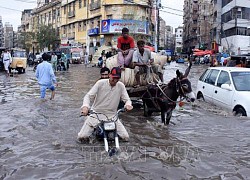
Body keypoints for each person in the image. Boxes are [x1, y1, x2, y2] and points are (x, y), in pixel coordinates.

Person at [77, 67, 133, 143]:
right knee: (82, 137)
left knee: (125, 137)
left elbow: (127, 100)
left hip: (112, 116)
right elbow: (88, 96)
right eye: (113, 78)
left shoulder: (121, 86)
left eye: (117, 78)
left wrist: (128, 105)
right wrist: (85, 107)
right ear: (110, 75)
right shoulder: (100, 83)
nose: (115, 80)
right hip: (96, 114)